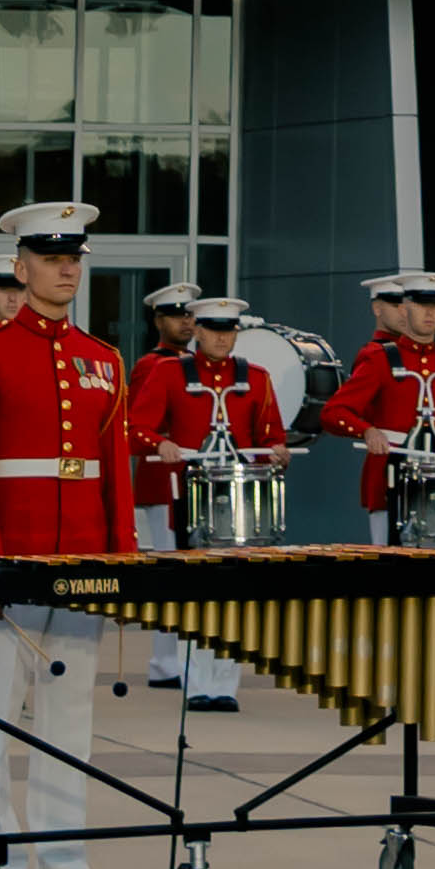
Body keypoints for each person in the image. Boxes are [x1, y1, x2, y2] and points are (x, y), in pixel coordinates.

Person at [0, 197, 136, 869]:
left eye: (73, 257)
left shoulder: (103, 359)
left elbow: (115, 469)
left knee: (68, 717)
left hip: (81, 561)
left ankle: (60, 863)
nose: (66, 268)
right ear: (21, 269)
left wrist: (122, 561)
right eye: (52, 258)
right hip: (8, 558)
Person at [128, 300, 284, 707]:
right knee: (191, 588)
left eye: (228, 330)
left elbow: (270, 436)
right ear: (197, 330)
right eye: (213, 329)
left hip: (235, 499)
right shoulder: (169, 372)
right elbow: (134, 427)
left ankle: (224, 686)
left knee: (231, 591)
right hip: (182, 494)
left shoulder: (257, 378)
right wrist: (160, 442)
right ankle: (197, 684)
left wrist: (276, 451)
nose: (221, 337)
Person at [315, 267, 435, 536]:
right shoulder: (379, 359)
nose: (429, 313)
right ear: (405, 310)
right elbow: (333, 412)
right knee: (390, 570)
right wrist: (367, 430)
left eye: (434, 306)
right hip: (389, 483)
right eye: (420, 305)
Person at [129, 278, 201, 691]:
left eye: (190, 314)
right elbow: (138, 426)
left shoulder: (194, 364)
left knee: (184, 573)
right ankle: (164, 660)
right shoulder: (152, 365)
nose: (185, 322)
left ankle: (175, 659)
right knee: (170, 571)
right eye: (176, 315)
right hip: (162, 479)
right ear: (158, 320)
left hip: (191, 480)